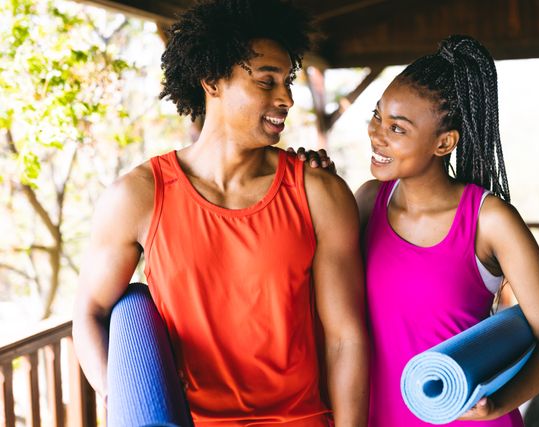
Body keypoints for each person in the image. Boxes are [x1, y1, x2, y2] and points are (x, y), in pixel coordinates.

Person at [71, 1, 369, 426]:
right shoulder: (138, 196)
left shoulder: (319, 192)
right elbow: (90, 313)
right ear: (211, 81)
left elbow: (345, 338)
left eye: (287, 82)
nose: (286, 98)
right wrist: (124, 401)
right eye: (267, 81)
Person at [297, 35, 539, 426]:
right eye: (377, 116)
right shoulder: (367, 201)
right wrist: (313, 187)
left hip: (467, 418)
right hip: (377, 415)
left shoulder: (489, 220)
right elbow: (319, 283)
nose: (377, 134)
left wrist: (496, 405)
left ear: (444, 143)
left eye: (398, 128)